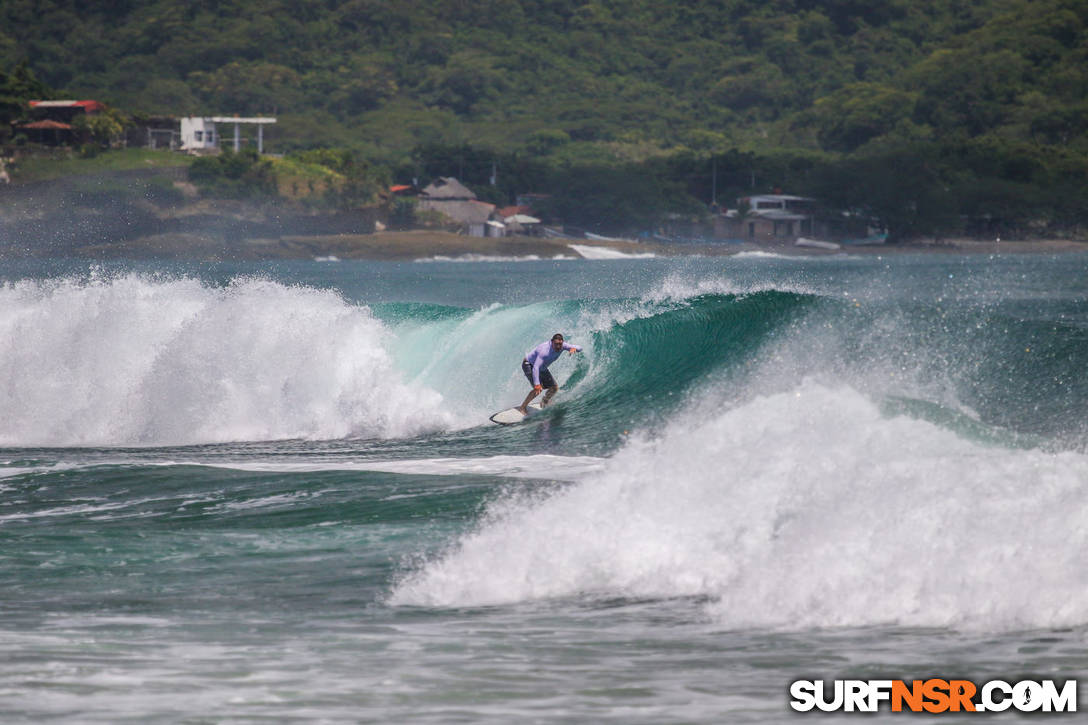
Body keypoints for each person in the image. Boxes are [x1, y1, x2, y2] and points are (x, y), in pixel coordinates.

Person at [517, 333, 582, 413]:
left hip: (542, 367)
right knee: (538, 389)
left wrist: (574, 349)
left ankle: (544, 401)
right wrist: (537, 384)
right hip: (529, 365)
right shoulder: (544, 351)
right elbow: (536, 368)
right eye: (556, 344)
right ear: (552, 342)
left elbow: (580, 347)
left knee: (554, 388)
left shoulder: (563, 346)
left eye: (560, 344)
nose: (558, 346)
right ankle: (522, 407)